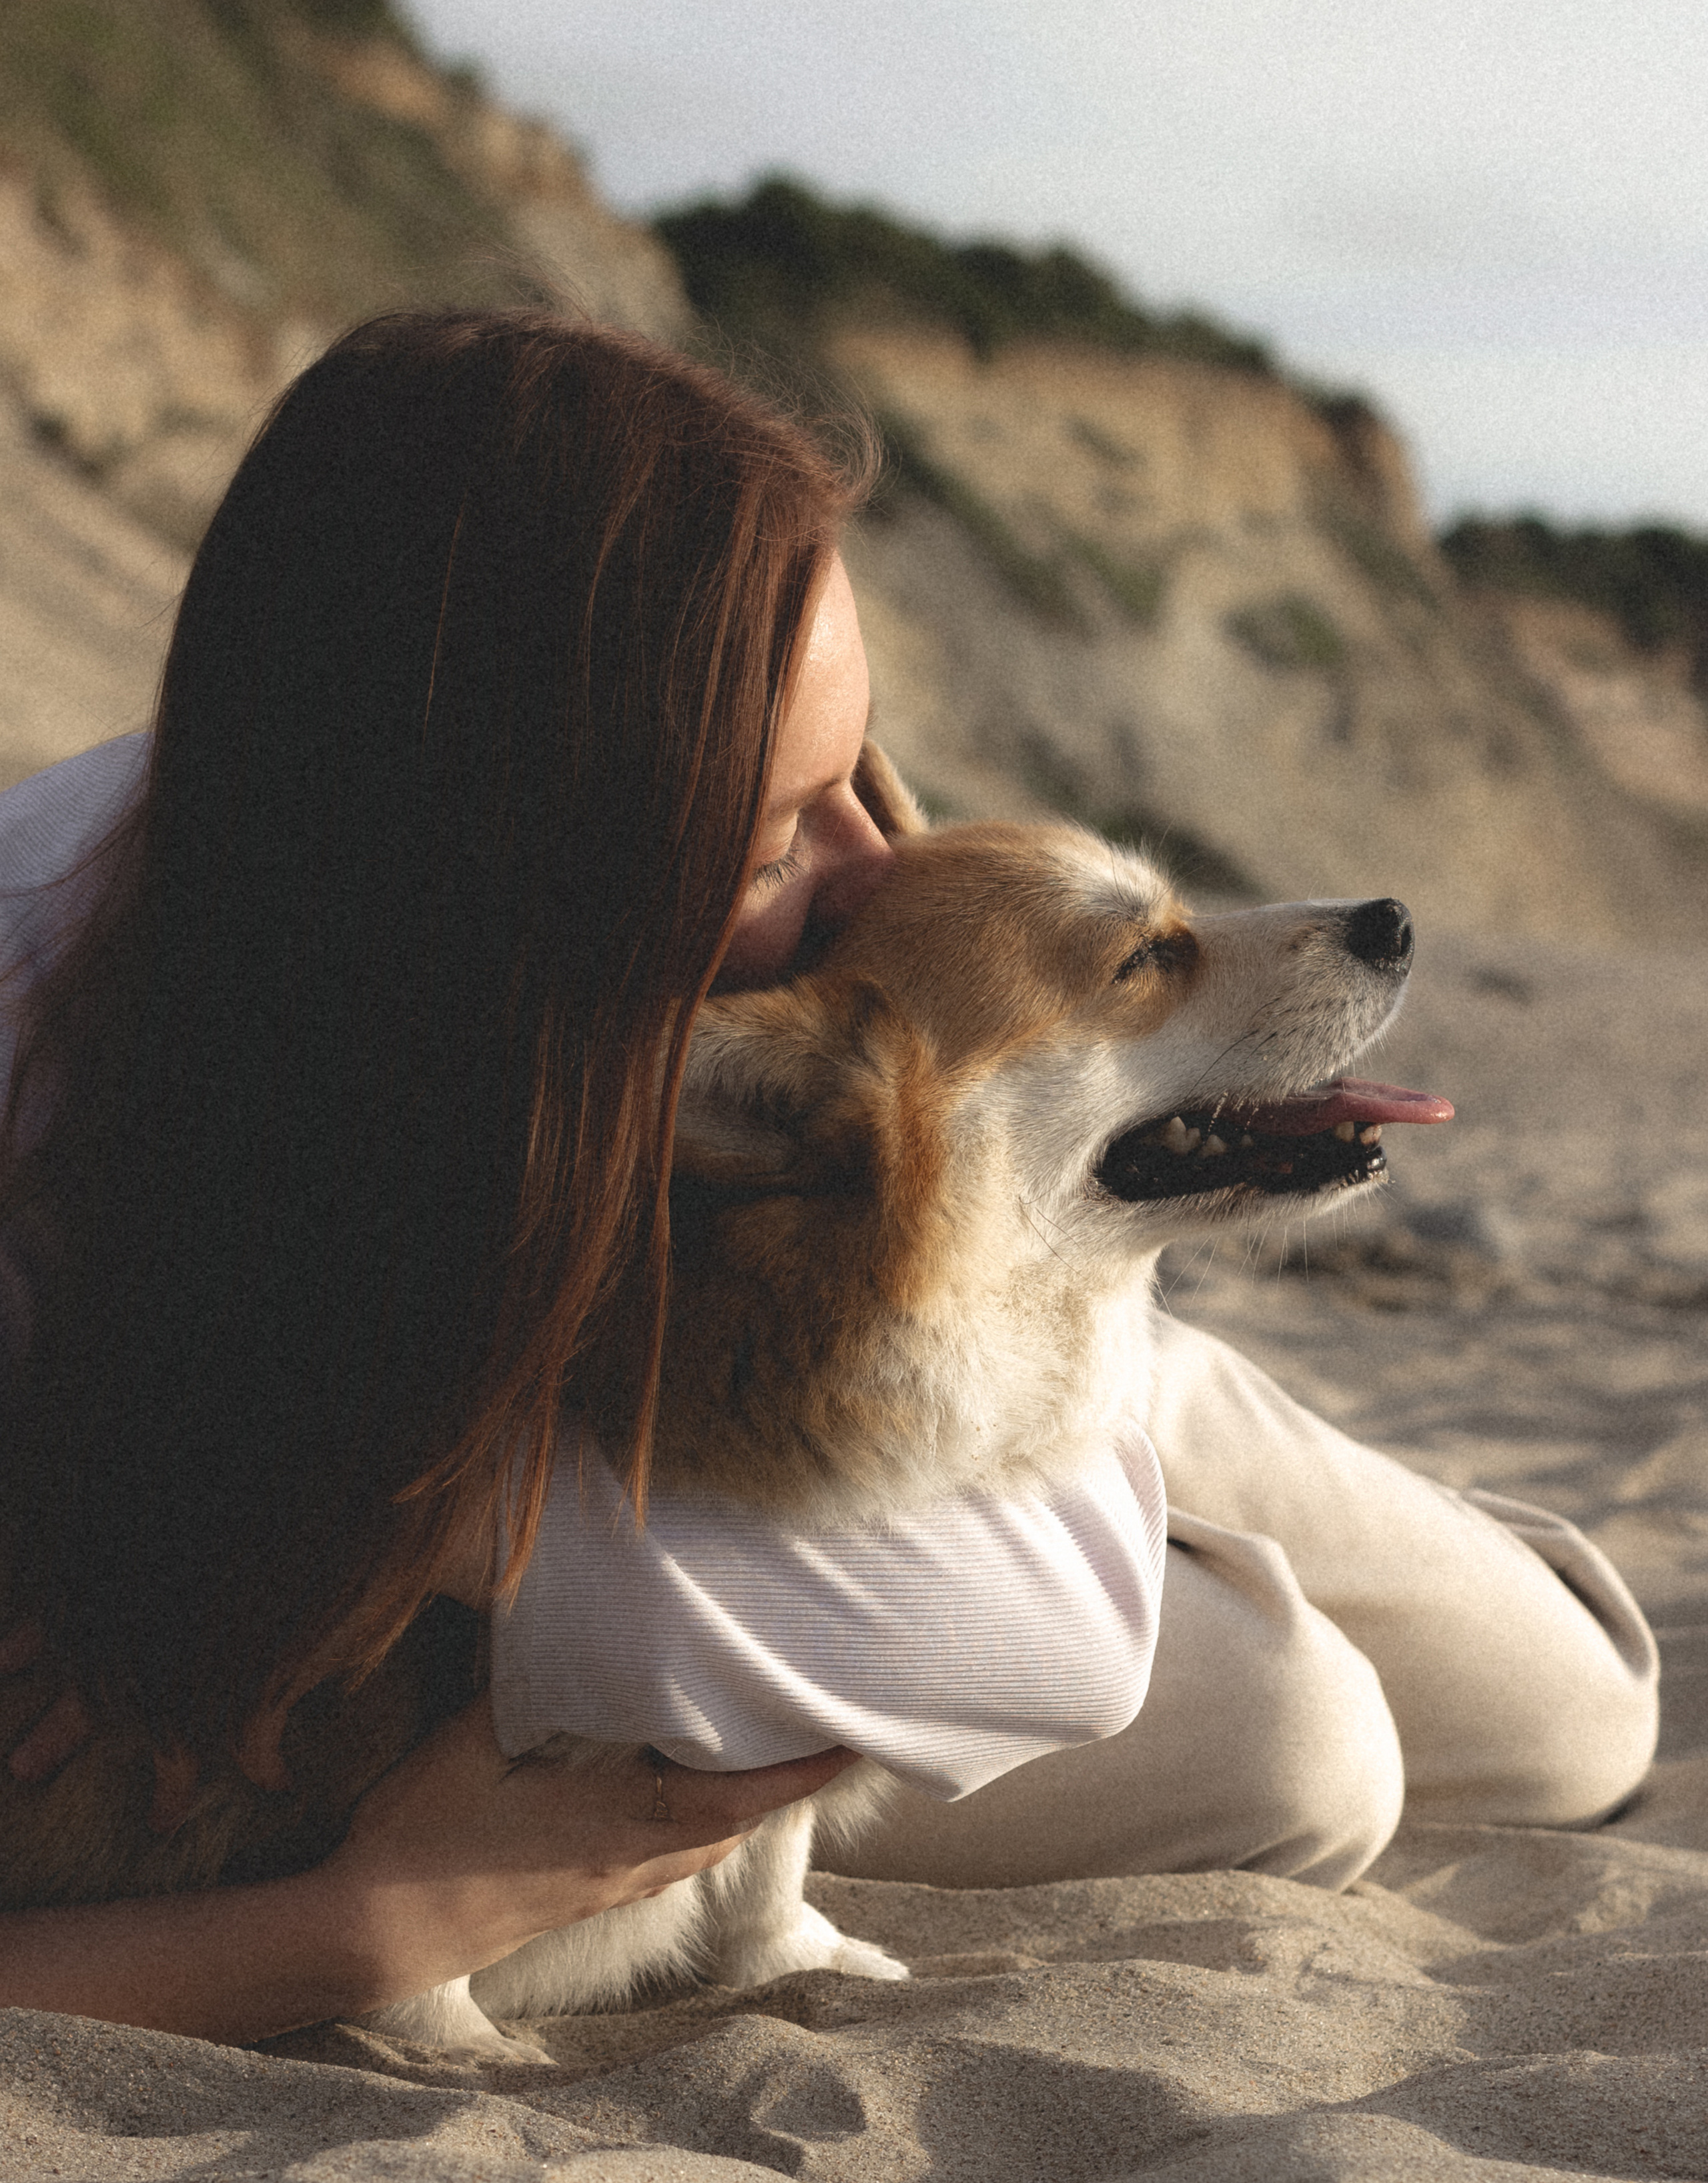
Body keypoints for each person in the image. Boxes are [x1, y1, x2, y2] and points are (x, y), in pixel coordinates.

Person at [0, 312, 1658, 2045]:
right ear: (542, 887)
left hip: (983, 1300)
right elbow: (1027, 1642)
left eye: (863, 774)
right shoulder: (61, 1059)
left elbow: (1047, 1617)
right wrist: (356, 1930)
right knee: (1302, 1748)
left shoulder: (776, 977)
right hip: (765, 1421)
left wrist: (408, 1505)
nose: (890, 871)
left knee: (1587, 1715)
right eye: (789, 830)